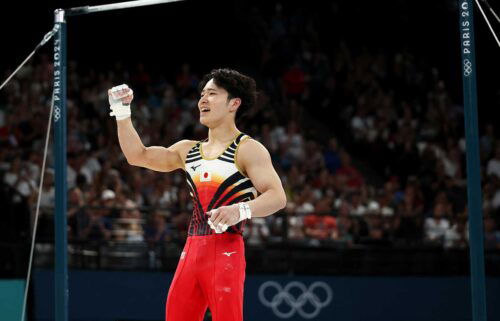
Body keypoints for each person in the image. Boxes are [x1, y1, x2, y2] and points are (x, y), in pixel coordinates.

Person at [108, 68, 287, 321]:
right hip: (191, 250)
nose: (203, 100)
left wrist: (240, 210)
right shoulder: (187, 150)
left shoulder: (248, 149)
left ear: (234, 103)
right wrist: (122, 112)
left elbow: (277, 197)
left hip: (226, 250)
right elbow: (138, 156)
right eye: (202, 94)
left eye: (212, 94)